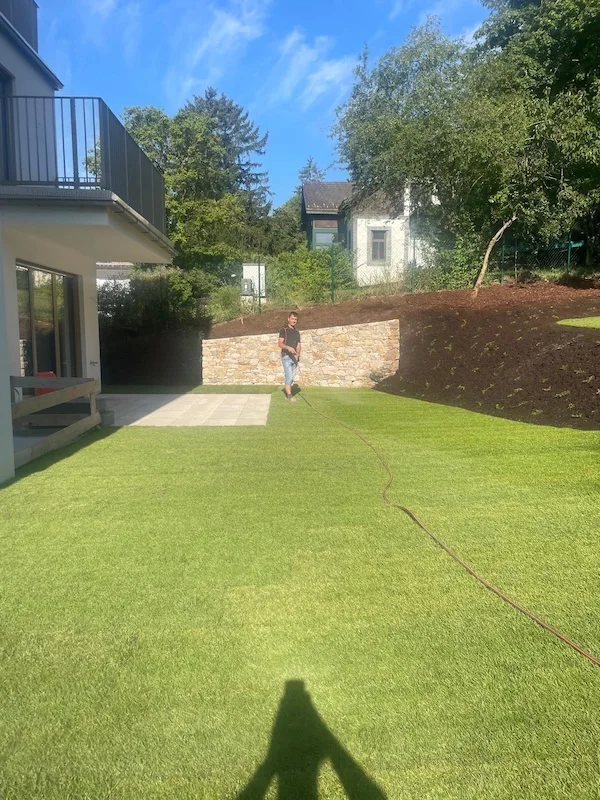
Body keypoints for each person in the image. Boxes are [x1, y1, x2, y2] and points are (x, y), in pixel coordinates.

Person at [278, 312, 301, 401]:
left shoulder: (297, 332)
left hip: (294, 358)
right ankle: (289, 396)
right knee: (289, 377)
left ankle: (288, 390)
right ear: (288, 319)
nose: (294, 321)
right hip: (286, 356)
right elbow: (280, 344)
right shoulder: (283, 330)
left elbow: (298, 345)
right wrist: (288, 347)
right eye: (292, 319)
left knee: (292, 377)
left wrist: (298, 355)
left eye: (295, 319)